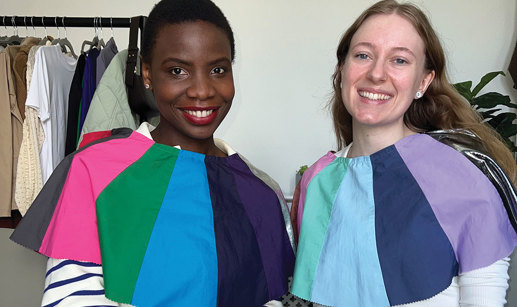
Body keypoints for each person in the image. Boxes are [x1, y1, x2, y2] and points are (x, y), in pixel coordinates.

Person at [10, 0, 295, 306]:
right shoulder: (93, 172)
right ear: (147, 74)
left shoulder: (262, 191)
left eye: (217, 69)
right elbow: (71, 299)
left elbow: (270, 297)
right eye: (177, 70)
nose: (202, 90)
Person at [289, 0, 517, 306]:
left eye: (399, 60)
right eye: (363, 55)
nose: (377, 74)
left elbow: (484, 295)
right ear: (343, 69)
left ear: (423, 82)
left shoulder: (463, 173)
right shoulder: (316, 180)